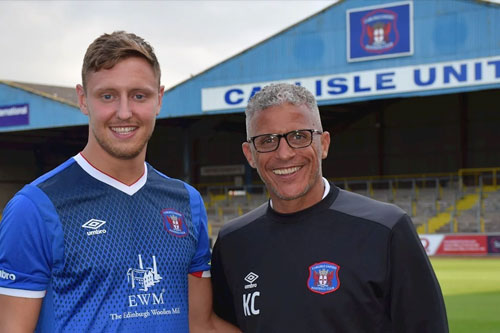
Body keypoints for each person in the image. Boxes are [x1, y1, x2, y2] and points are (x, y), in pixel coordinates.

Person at [0, 31, 238, 333]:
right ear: (84, 99)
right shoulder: (35, 208)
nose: (124, 112)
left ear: (159, 99)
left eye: (139, 95)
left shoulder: (187, 203)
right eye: (108, 96)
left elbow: (200, 324)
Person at [210, 83, 449, 332]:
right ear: (250, 154)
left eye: (299, 136)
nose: (284, 154)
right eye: (267, 140)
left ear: (323, 144)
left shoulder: (386, 229)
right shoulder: (232, 242)